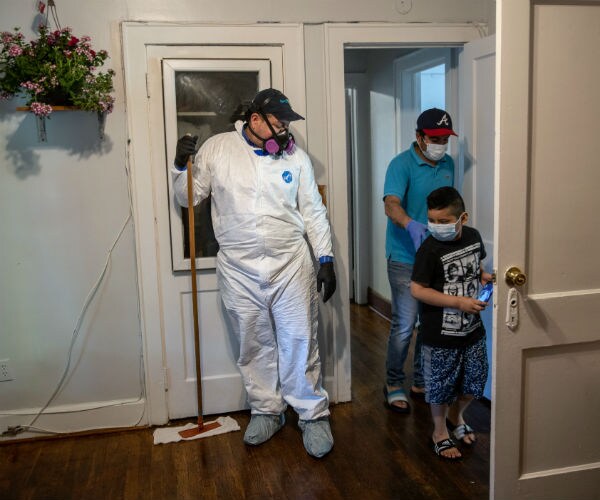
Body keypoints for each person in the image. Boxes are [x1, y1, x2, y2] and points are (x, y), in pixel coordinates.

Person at [171, 88, 337, 458]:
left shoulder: (296, 159)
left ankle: (312, 414)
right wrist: (181, 166)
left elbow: (313, 211)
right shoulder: (218, 148)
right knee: (252, 341)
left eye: (287, 124)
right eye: (280, 122)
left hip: (291, 263)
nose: (285, 130)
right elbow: (188, 197)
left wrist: (324, 258)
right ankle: (267, 410)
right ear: (255, 119)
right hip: (238, 266)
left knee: (299, 340)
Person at [382, 108, 457, 413]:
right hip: (404, 257)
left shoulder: (449, 164)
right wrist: (411, 225)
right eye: (435, 138)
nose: (441, 144)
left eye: (445, 139)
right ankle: (394, 382)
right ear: (419, 137)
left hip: (436, 258)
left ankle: (421, 381)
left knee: (429, 323)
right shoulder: (401, 164)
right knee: (404, 324)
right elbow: (391, 204)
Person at [410, 187, 492, 460]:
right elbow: (417, 290)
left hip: (473, 330)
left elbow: (474, 267)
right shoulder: (429, 250)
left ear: (462, 218)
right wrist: (458, 303)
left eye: (444, 222)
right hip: (440, 334)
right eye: (432, 220)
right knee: (441, 387)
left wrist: (482, 276)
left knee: (474, 381)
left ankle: (458, 418)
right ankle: (439, 432)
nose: (436, 227)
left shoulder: (473, 237)